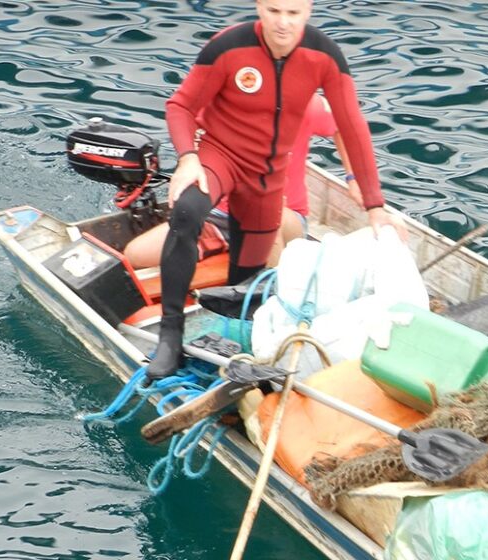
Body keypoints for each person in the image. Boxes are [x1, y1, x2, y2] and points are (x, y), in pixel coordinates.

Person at [147, 0, 395, 381]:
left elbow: (352, 125)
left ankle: (232, 347)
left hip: (267, 179)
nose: (283, 23)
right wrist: (187, 159)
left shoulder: (324, 56)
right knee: (187, 209)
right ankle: (170, 335)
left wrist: (374, 204)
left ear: (308, 11)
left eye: (293, 13)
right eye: (274, 11)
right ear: (260, 7)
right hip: (221, 157)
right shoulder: (229, 47)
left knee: (244, 280)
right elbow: (180, 105)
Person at [121, 92, 361, 269]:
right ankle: (213, 245)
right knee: (135, 254)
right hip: (218, 217)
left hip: (285, 218)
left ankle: (269, 296)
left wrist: (353, 178)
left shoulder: (305, 105)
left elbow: (345, 124)